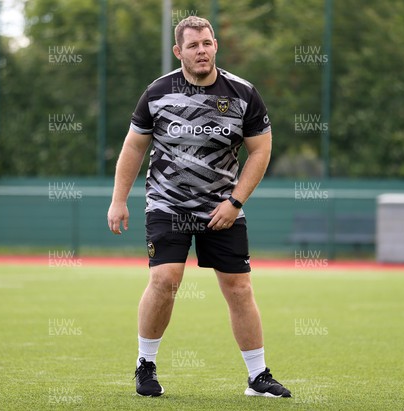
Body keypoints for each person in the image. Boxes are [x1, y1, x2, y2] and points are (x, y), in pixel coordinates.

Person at [107, 15, 291, 398]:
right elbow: (134, 146)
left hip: (222, 208)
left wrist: (235, 201)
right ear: (179, 51)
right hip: (167, 204)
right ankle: (146, 366)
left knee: (239, 288)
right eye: (193, 45)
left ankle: (258, 377)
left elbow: (261, 150)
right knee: (165, 280)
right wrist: (118, 200)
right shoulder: (157, 92)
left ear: (215, 45)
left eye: (207, 43)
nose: (201, 50)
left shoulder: (243, 93)